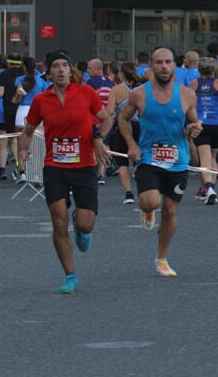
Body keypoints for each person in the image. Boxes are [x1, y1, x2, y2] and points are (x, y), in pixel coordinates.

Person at [18, 51, 111, 294]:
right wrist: (23, 152)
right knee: (58, 219)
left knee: (85, 223)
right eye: (55, 67)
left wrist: (98, 139)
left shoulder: (86, 93)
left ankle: (81, 229)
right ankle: (70, 274)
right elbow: (27, 131)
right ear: (48, 73)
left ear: (71, 71)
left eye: (64, 66)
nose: (60, 70)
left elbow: (105, 118)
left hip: (84, 166)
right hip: (55, 166)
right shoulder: (41, 100)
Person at [119, 47, 203, 278]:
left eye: (168, 62)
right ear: (151, 67)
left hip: (178, 161)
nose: (164, 66)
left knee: (170, 209)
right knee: (149, 202)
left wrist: (193, 129)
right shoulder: (138, 94)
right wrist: (131, 145)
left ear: (175, 65)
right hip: (149, 157)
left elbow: (194, 121)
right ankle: (147, 211)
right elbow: (123, 119)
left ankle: (162, 258)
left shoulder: (187, 94)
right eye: (159, 62)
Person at [190, 57, 218, 205]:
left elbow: (188, 99)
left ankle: (208, 188)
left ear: (199, 69)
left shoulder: (194, 84)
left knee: (204, 158)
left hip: (201, 123)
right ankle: (212, 186)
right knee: (213, 156)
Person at [105, 61, 140, 205]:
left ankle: (128, 193)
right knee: (141, 158)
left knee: (122, 162)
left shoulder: (116, 90)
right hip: (140, 126)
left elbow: (110, 112)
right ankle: (143, 189)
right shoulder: (142, 90)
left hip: (122, 126)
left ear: (121, 74)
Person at [12, 56, 48, 183]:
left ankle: (21, 171)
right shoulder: (41, 82)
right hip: (36, 111)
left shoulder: (19, 80)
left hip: (22, 111)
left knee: (20, 142)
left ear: (24, 67)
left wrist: (17, 96)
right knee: (37, 143)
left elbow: (16, 98)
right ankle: (37, 173)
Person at [85, 58, 115, 184]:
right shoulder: (111, 83)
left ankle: (92, 172)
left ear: (97, 69)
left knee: (93, 145)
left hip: (93, 119)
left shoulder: (90, 83)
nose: (87, 70)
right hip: (109, 120)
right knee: (105, 144)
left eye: (89, 68)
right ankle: (101, 174)